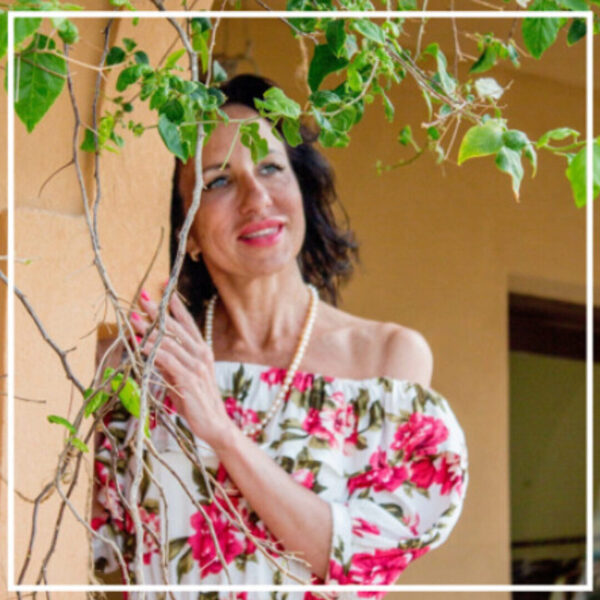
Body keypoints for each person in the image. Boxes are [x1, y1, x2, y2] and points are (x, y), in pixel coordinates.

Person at [92, 74, 469, 598]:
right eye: (218, 182)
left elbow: (354, 563)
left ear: (301, 190)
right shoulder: (150, 363)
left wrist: (220, 431)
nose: (257, 198)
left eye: (270, 168)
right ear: (188, 231)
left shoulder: (386, 361)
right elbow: (99, 547)